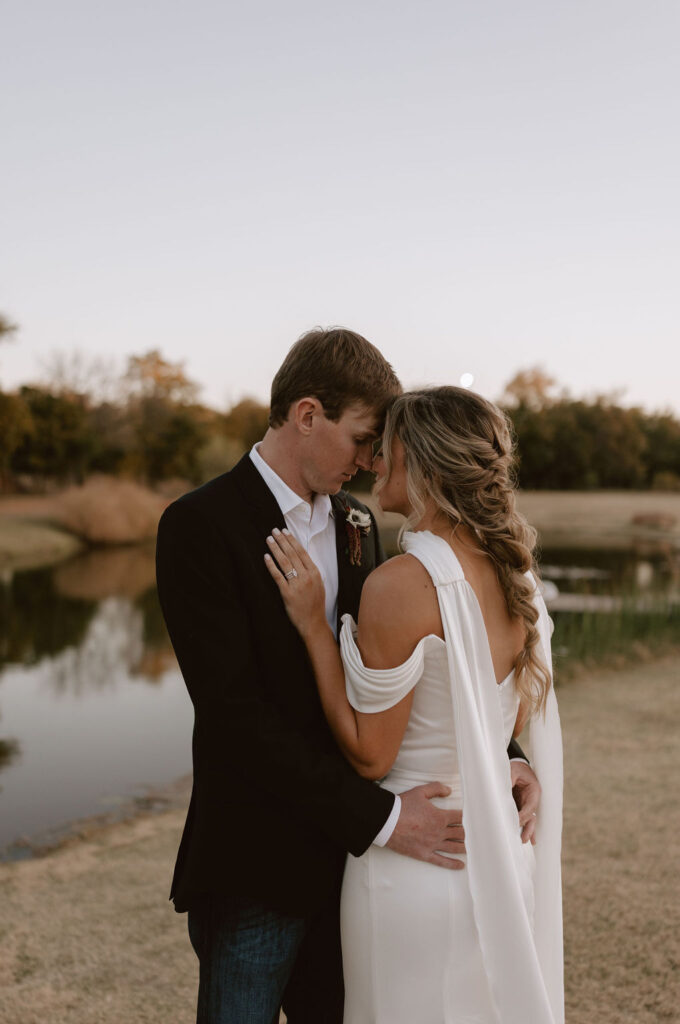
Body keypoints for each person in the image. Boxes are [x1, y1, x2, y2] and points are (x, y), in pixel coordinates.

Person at [156, 329, 541, 1024]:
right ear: (308, 414)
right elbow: (233, 717)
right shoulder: (199, 526)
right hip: (259, 866)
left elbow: (419, 669)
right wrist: (386, 819)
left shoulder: (359, 521)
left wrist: (500, 756)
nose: (370, 462)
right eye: (363, 438)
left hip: (355, 871)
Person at [264, 385, 563, 1024]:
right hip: (499, 854)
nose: (372, 463)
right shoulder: (517, 577)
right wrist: (511, 761)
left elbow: (371, 757)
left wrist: (315, 629)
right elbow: (485, 720)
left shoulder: (401, 585)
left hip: (417, 865)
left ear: (422, 461)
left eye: (386, 448)